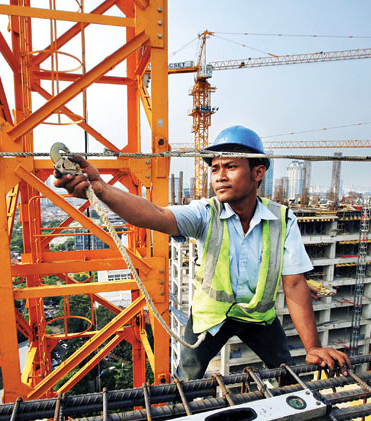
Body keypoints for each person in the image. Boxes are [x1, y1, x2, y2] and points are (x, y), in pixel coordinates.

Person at [53, 125, 350, 380]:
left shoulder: (283, 220)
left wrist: (313, 348)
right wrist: (101, 190)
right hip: (210, 319)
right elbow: (154, 214)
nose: (219, 176)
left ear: (257, 172)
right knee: (185, 380)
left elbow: (295, 283)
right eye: (214, 168)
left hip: (259, 318)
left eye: (230, 166)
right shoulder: (205, 214)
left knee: (287, 372)